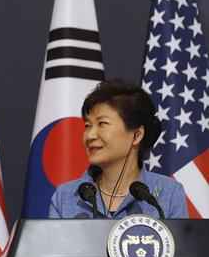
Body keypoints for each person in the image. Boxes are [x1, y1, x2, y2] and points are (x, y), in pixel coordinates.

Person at [49, 79, 188, 219]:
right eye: (87, 125)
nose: (90, 135)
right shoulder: (65, 196)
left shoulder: (169, 193)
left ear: (137, 135)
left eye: (102, 123)